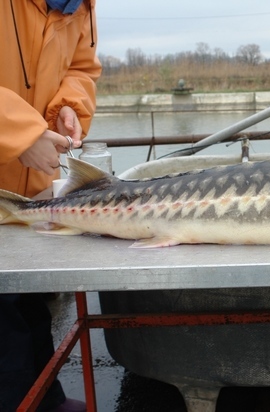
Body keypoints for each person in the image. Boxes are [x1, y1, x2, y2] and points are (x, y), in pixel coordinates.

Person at [0, 1, 101, 411]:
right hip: (19, 153)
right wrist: (20, 135)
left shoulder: (80, 5)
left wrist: (68, 109)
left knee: (28, 303)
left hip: (28, 191)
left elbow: (81, 68)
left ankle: (43, 399)